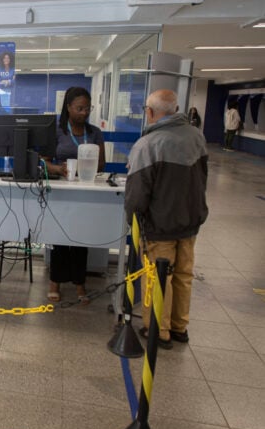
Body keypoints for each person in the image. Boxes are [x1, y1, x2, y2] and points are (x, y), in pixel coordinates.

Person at [125, 89, 208, 349]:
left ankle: (158, 330)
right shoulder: (196, 136)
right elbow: (202, 177)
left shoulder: (149, 144)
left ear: (150, 112)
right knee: (183, 274)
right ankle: (179, 327)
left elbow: (138, 194)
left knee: (158, 276)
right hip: (190, 219)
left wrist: (133, 222)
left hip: (160, 224)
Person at [45, 87, 106, 304]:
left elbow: (101, 163)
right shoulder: (57, 130)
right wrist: (57, 169)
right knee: (59, 239)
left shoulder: (94, 132)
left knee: (81, 238)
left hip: (86, 191)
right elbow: (43, 160)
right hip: (61, 191)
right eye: (79, 108)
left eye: (87, 108)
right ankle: (55, 282)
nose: (84, 113)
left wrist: (84, 168)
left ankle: (80, 283)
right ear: (69, 107)